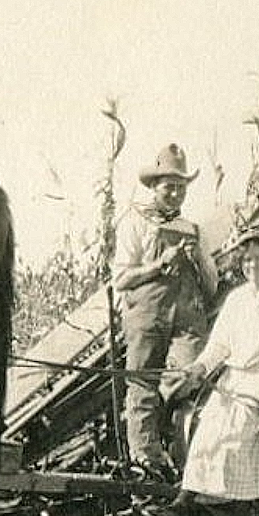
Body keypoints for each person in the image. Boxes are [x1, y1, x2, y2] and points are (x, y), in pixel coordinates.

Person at [153, 227, 259, 516]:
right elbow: (219, 344)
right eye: (247, 260)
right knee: (207, 436)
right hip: (231, 380)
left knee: (239, 444)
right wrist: (197, 369)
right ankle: (183, 505)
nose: (252, 266)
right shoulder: (237, 298)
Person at [112, 144, 217, 479]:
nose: (175, 194)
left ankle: (179, 454)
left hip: (188, 317)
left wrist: (197, 257)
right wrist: (159, 264)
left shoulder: (193, 229)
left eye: (181, 187)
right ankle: (146, 462)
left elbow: (211, 285)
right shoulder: (135, 223)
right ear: (154, 187)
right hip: (147, 313)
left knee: (189, 378)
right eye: (169, 187)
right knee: (141, 383)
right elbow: (121, 279)